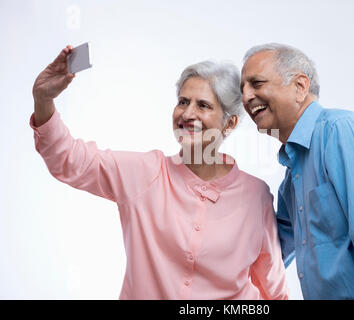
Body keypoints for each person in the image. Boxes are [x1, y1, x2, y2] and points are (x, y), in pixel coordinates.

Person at [30, 45, 289, 300]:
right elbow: (69, 159)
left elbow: (273, 289)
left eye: (203, 106)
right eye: (183, 102)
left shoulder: (256, 196)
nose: (188, 114)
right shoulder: (144, 174)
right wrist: (44, 99)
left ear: (229, 122)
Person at [240, 43, 354, 299]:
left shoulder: (341, 132)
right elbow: (272, 251)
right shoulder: (293, 167)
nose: (246, 96)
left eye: (256, 83)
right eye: (243, 88)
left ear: (300, 86)